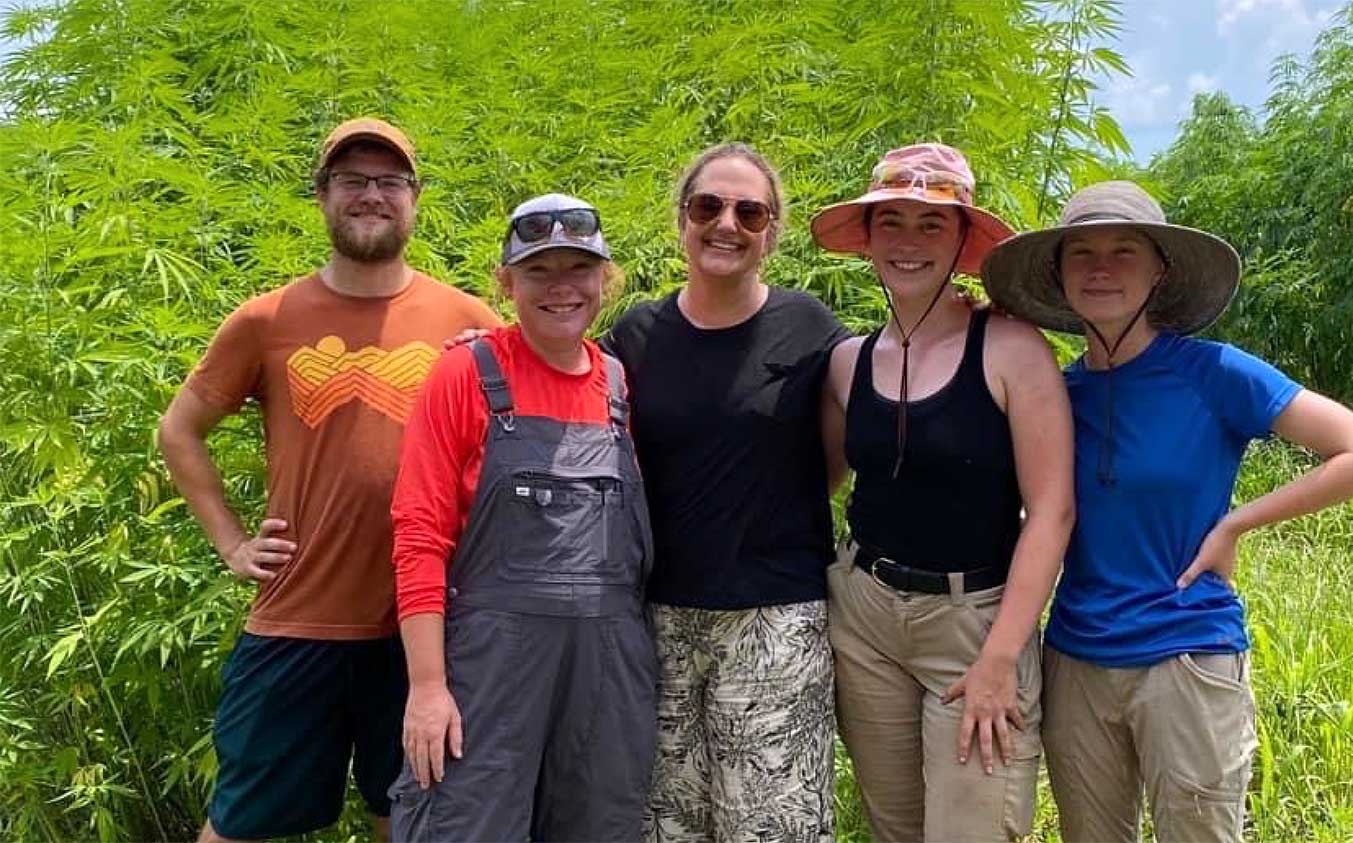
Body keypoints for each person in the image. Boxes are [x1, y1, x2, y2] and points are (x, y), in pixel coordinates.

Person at [981, 180, 1353, 843]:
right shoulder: (1055, 394)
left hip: (1186, 654)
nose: (1100, 267)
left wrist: (1237, 522)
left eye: (1124, 250)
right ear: (1058, 275)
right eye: (1081, 252)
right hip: (1076, 661)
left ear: (1161, 270)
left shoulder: (1213, 373)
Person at [157, 118, 501, 842]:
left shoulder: (468, 319)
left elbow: (523, 441)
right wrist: (232, 543)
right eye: (352, 180)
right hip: (297, 616)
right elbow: (178, 431)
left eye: (389, 182)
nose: (371, 195)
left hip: (427, 628)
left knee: (409, 813)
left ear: (415, 197)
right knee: (239, 819)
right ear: (322, 196)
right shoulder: (265, 319)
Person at [810, 143, 1074, 842]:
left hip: (975, 620)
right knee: (894, 825)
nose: (909, 242)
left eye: (933, 224)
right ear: (866, 238)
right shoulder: (847, 361)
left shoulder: (1012, 347)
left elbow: (1053, 511)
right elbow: (821, 480)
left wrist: (1000, 657)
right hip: (864, 613)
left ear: (963, 241)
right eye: (891, 221)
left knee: (974, 828)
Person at [384, 194, 656, 841]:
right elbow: (419, 535)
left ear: (605, 278)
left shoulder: (619, 386)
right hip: (488, 673)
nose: (561, 288)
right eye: (539, 271)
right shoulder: (465, 373)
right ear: (506, 283)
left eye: (578, 269)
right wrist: (427, 687)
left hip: (606, 678)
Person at [601, 143, 848, 842]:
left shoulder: (809, 327)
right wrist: (487, 351)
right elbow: (560, 389)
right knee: (667, 824)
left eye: (750, 210)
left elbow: (841, 454)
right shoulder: (636, 335)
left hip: (775, 616)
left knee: (773, 827)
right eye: (708, 206)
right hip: (659, 619)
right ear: (682, 219)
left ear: (771, 231)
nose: (727, 224)